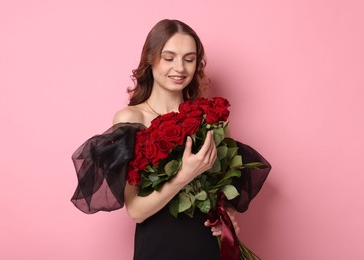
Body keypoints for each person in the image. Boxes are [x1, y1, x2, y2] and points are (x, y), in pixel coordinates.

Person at [71, 19, 270, 260]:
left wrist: (227, 221)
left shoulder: (210, 119)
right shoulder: (131, 118)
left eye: (189, 59)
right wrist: (184, 175)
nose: (180, 68)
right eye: (169, 58)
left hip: (207, 247)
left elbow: (222, 193)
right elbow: (135, 211)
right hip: (158, 248)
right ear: (150, 59)